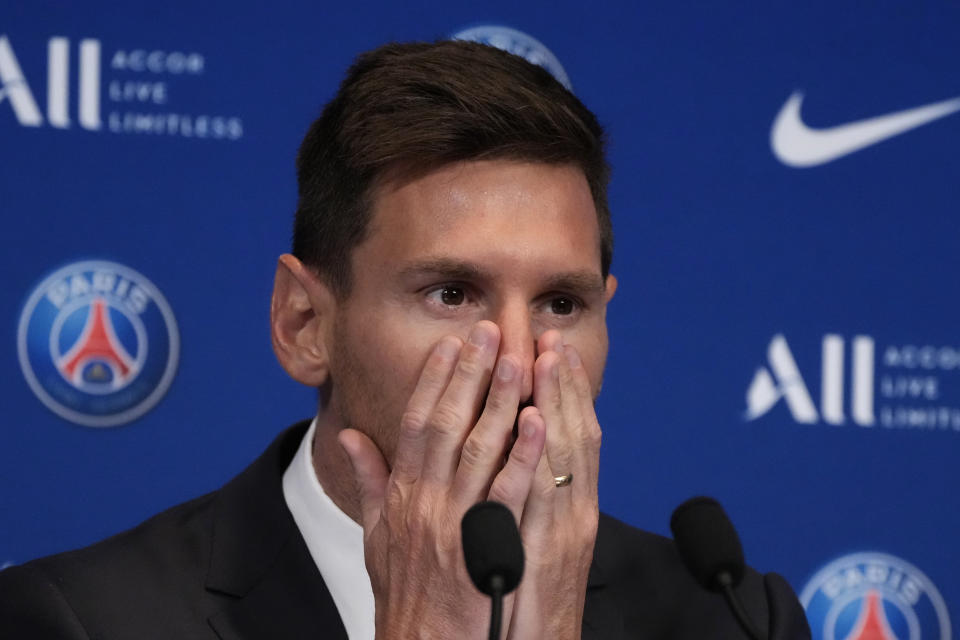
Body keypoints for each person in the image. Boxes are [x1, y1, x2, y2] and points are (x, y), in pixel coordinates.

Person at [0, 40, 811, 639]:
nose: (519, 361)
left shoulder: (731, 618)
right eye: (453, 295)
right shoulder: (80, 620)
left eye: (562, 303)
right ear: (304, 325)